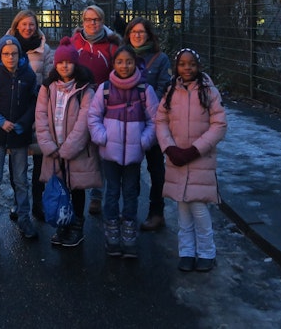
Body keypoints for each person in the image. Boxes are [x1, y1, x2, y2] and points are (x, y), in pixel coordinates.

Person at [156, 48, 228, 273]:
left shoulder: (209, 92)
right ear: (176, 67)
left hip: (199, 159)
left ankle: (207, 252)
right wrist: (169, 147)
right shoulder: (171, 91)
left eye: (192, 64)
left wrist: (197, 149)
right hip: (177, 158)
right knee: (182, 207)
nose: (187, 68)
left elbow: (219, 125)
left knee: (198, 206)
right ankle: (186, 251)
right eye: (182, 64)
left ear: (199, 66)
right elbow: (160, 121)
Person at [87, 45, 159, 259]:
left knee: (130, 193)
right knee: (111, 193)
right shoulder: (106, 89)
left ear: (135, 64)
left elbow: (154, 120)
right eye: (120, 62)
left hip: (134, 155)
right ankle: (112, 236)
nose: (124, 66)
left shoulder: (145, 90)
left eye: (129, 62)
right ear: (114, 64)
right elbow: (93, 117)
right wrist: (102, 138)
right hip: (110, 153)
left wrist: (143, 141)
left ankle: (129, 235)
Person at [35, 38, 101, 248]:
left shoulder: (85, 90)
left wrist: (69, 149)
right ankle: (63, 224)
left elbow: (84, 123)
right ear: (55, 64)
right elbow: (41, 117)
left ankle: (77, 226)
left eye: (69, 62)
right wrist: (48, 145)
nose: (64, 66)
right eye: (61, 62)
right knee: (59, 188)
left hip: (76, 152)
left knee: (77, 188)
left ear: (75, 64)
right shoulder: (48, 87)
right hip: (54, 150)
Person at [0, 35, 39, 241]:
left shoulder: (29, 76)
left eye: (14, 54)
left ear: (19, 54)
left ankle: (24, 219)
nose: (10, 57)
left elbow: (34, 104)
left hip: (19, 136)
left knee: (21, 180)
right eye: (6, 54)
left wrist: (22, 124)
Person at [70, 4, 120, 215]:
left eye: (97, 19)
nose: (92, 23)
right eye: (89, 19)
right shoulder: (73, 43)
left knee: (100, 148)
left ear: (102, 21)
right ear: (82, 21)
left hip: (103, 105)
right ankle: (77, 189)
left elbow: (119, 75)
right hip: (78, 103)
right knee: (79, 147)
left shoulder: (111, 46)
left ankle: (98, 195)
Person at [124, 16, 172, 231]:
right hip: (129, 122)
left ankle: (156, 212)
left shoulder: (160, 59)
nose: (137, 35)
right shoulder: (123, 56)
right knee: (130, 169)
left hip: (153, 121)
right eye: (133, 32)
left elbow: (165, 88)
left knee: (155, 168)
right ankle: (130, 212)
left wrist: (148, 107)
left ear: (149, 34)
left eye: (141, 32)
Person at [5, 10, 54, 222]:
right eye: (24, 24)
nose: (28, 28)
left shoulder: (45, 50)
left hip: (39, 112)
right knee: (16, 159)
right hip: (14, 113)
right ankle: (19, 201)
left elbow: (51, 78)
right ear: (16, 26)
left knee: (41, 158)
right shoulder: (5, 48)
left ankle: (38, 200)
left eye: (31, 24)